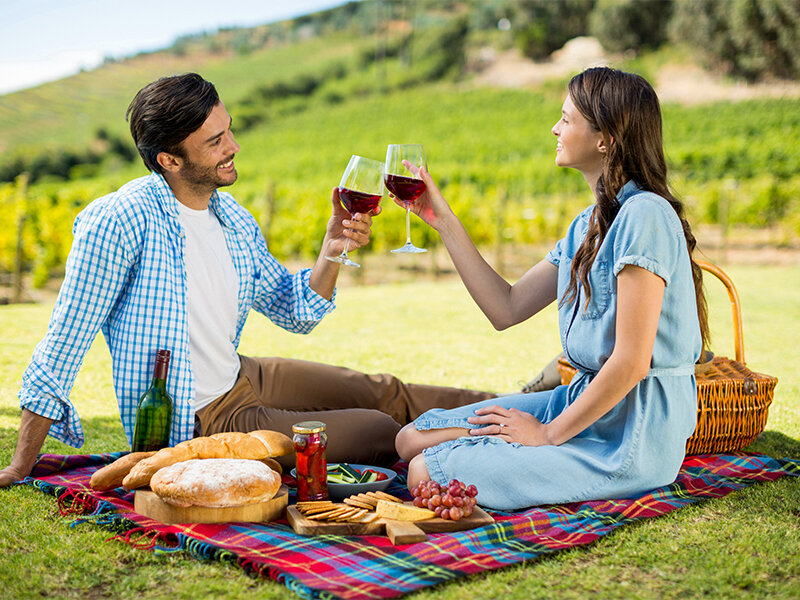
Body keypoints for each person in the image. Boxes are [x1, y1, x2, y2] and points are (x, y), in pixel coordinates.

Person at [0, 73, 495, 488]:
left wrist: (332, 248)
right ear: (169, 160)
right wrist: (22, 464)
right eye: (215, 141)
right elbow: (63, 343)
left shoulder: (230, 216)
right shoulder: (120, 220)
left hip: (241, 375)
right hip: (202, 418)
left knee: (384, 390)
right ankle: (494, 440)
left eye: (229, 130)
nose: (233, 147)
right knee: (381, 429)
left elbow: (295, 308)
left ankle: (523, 409)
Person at [395, 67, 710, 510]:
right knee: (411, 438)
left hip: (629, 435)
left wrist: (545, 435)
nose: (555, 129)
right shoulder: (586, 225)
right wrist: (442, 220)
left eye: (567, 119)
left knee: (425, 469)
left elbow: (632, 362)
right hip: (578, 403)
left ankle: (518, 449)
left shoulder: (646, 215)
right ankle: (500, 445)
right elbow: (506, 308)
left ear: (605, 139)